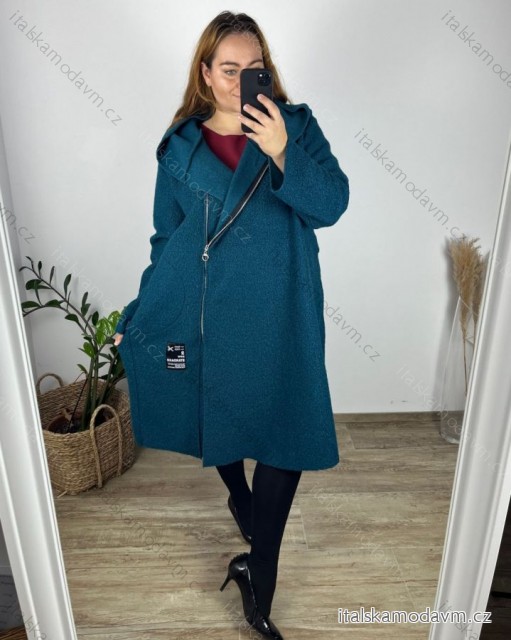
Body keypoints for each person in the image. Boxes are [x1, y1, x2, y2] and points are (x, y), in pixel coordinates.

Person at [113, 10, 349, 639]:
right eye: (229, 69)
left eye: (254, 68)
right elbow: (167, 240)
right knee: (206, 398)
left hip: (284, 305)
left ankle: (258, 572)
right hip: (207, 307)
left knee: (286, 431)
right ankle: (239, 497)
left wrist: (282, 152)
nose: (242, 79)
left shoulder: (296, 126)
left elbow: (332, 205)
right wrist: (138, 313)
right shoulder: (179, 149)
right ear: (205, 74)